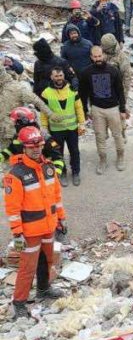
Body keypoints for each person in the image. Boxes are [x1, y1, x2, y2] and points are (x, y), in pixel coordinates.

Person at [3, 126, 67, 319]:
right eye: (31, 147)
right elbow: (12, 208)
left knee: (46, 261)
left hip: (48, 226)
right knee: (27, 268)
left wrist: (61, 218)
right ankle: (19, 302)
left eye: (39, 145)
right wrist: (17, 232)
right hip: (29, 232)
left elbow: (56, 196)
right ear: (24, 148)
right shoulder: (15, 174)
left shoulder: (48, 168)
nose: (36, 149)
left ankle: (43, 290)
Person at [79, 46, 127, 174]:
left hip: (113, 108)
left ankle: (120, 157)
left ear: (103, 55)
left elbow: (120, 91)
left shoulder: (113, 70)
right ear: (91, 57)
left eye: (99, 56)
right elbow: (82, 93)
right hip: (97, 109)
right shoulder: (86, 73)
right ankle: (102, 159)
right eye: (95, 57)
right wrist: (84, 110)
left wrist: (122, 109)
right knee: (99, 136)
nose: (98, 59)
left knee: (118, 135)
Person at [40, 68, 85, 187]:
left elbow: (79, 107)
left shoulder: (72, 89)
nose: (58, 78)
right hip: (56, 130)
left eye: (60, 75)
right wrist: (44, 127)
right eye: (56, 76)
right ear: (51, 77)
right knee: (58, 153)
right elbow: (44, 112)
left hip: (72, 129)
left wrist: (82, 123)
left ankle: (76, 172)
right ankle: (63, 173)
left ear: (63, 76)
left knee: (74, 151)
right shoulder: (46, 93)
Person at [0, 65, 63, 147]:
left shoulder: (17, 88)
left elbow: (37, 101)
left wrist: (50, 114)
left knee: (14, 154)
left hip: (13, 131)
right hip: (3, 131)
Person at [0, 107, 65, 178]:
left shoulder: (44, 138)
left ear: (22, 122)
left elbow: (58, 158)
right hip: (24, 173)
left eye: (15, 123)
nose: (13, 125)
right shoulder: (18, 136)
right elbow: (11, 149)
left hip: (42, 174)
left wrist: (55, 175)